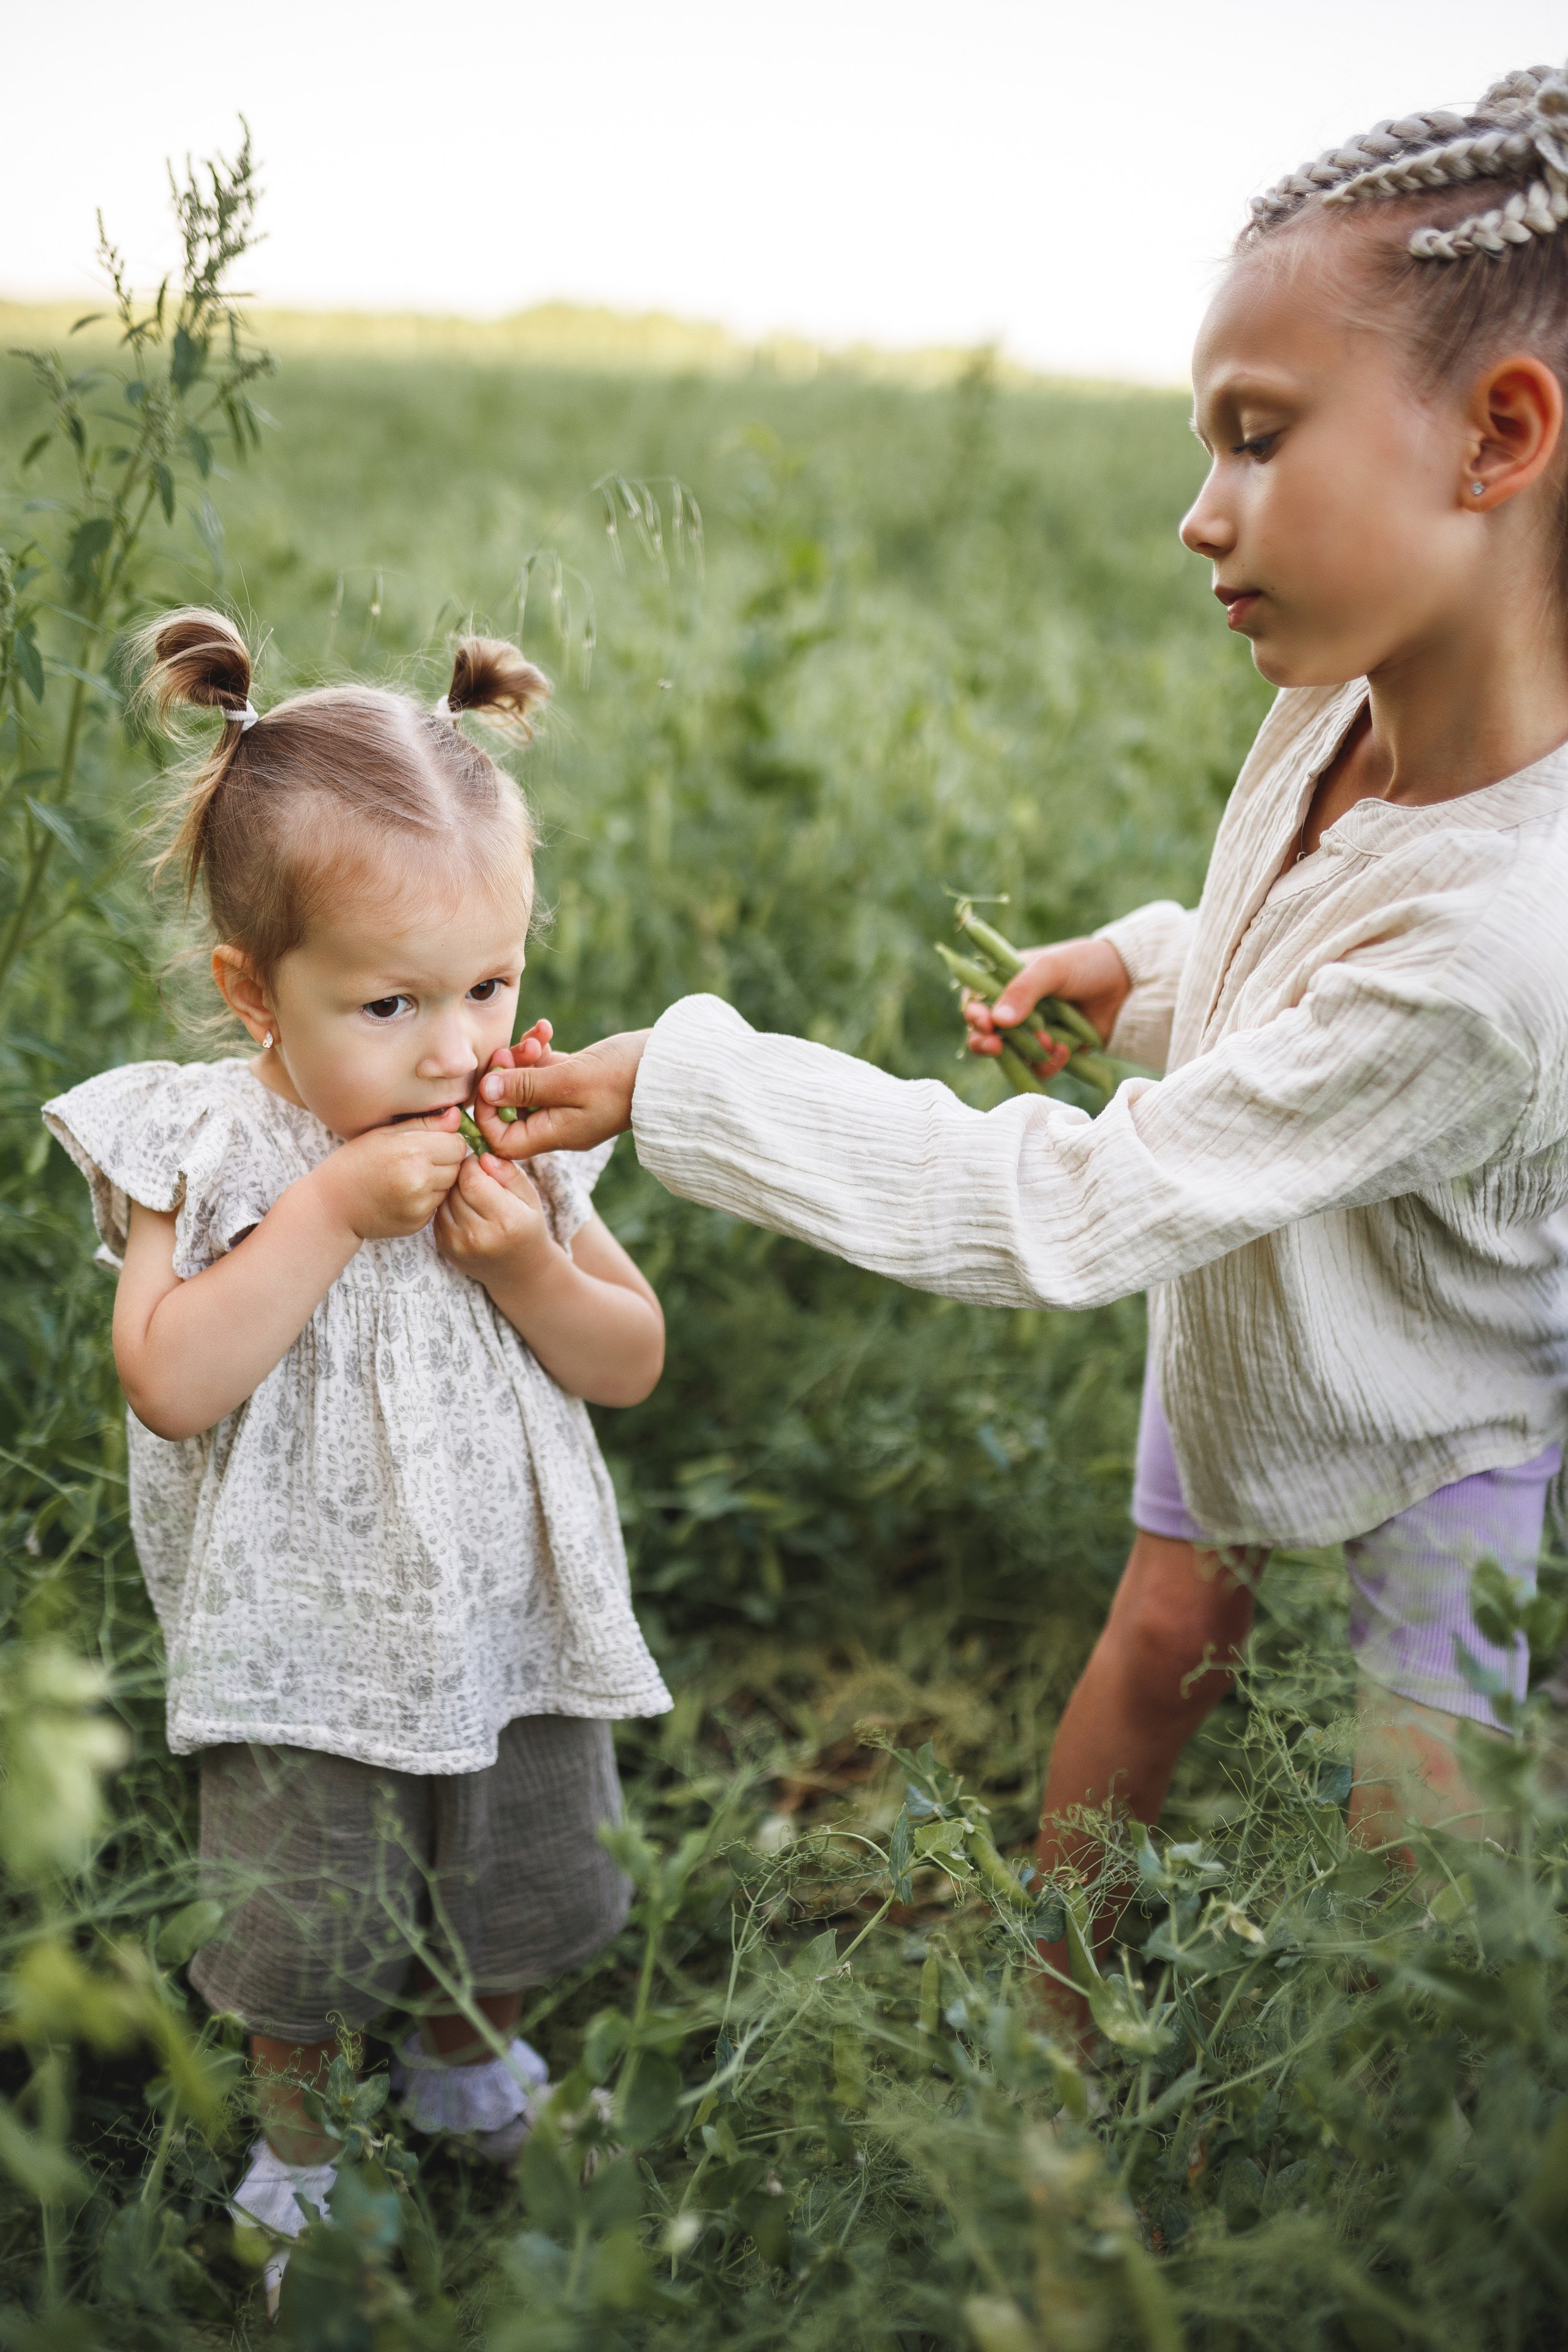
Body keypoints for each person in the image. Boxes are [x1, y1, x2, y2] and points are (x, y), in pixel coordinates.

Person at [470, 61, 1568, 2016]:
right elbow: (1289, 965)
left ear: (1499, 437)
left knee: (1421, 1816)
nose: (1195, 511)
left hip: (1442, 1379)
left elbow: (1079, 1204)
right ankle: (1057, 2037)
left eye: (1256, 438)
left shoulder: (1510, 943)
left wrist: (691, 1082)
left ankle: (1409, 2130)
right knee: (1159, 1648)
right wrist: (1142, 969)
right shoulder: (1340, 704)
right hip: (1255, 1299)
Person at [43, 612, 670, 2303]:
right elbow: (171, 1378)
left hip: (505, 1603)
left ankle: (475, 2056)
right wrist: (325, 1208)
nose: (460, 1045)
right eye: (391, 1002)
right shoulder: (215, 1141)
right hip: (299, 1632)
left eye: (493, 984)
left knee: (522, 1856)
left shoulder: (513, 1126)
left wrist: (526, 1261)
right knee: (299, 1911)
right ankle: (299, 2151)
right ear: (256, 988)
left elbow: (630, 1357)